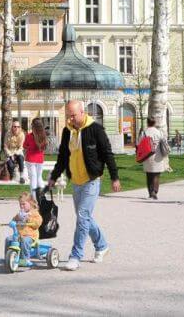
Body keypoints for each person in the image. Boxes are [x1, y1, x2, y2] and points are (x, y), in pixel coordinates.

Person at [47, 100, 120, 272]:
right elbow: (63, 157)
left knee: (82, 217)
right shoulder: (67, 131)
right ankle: (102, 245)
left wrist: (115, 177)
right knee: (84, 218)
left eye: (73, 115)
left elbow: (108, 154)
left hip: (91, 180)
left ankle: (75, 256)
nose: (70, 119)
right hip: (77, 182)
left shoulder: (96, 130)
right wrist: (54, 176)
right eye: (68, 115)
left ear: (82, 112)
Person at [139, 117, 169, 200]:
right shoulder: (159, 132)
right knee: (156, 175)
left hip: (147, 156)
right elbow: (164, 142)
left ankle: (150, 192)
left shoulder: (144, 133)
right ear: (154, 123)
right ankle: (155, 191)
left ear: (147, 123)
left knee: (149, 175)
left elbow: (139, 143)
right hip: (158, 156)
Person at [10, 191, 43, 265]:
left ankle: (25, 259)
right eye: (20, 204)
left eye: (23, 204)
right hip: (19, 235)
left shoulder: (34, 213)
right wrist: (12, 221)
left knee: (25, 241)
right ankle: (9, 257)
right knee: (8, 240)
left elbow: (38, 223)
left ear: (30, 203)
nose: (21, 206)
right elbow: (13, 220)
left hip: (30, 236)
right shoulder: (20, 214)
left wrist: (29, 219)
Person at [23, 118, 48, 194]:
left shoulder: (29, 136)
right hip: (40, 160)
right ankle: (43, 196)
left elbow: (24, 146)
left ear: (33, 126)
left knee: (33, 179)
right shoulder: (44, 136)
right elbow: (44, 148)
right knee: (39, 178)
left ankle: (34, 198)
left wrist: (29, 147)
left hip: (30, 159)